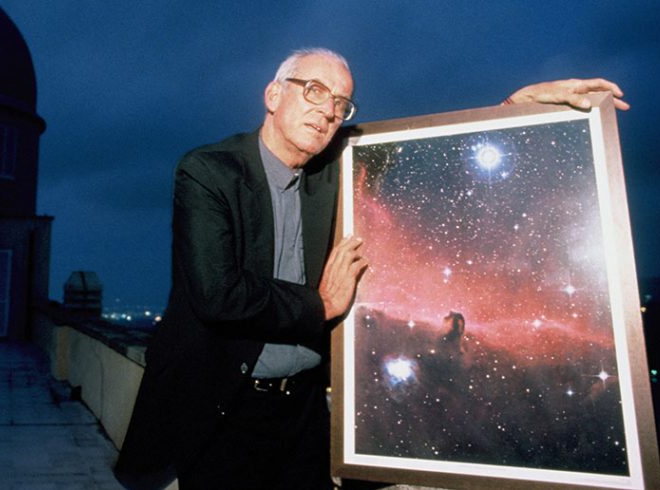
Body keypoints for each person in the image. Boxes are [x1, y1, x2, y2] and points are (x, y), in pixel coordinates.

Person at [114, 48, 628, 490]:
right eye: (314, 91)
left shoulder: (337, 169)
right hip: (223, 409)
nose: (328, 112)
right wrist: (323, 305)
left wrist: (514, 109)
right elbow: (216, 294)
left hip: (304, 415)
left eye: (340, 103)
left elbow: (423, 150)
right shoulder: (208, 171)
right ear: (273, 95)